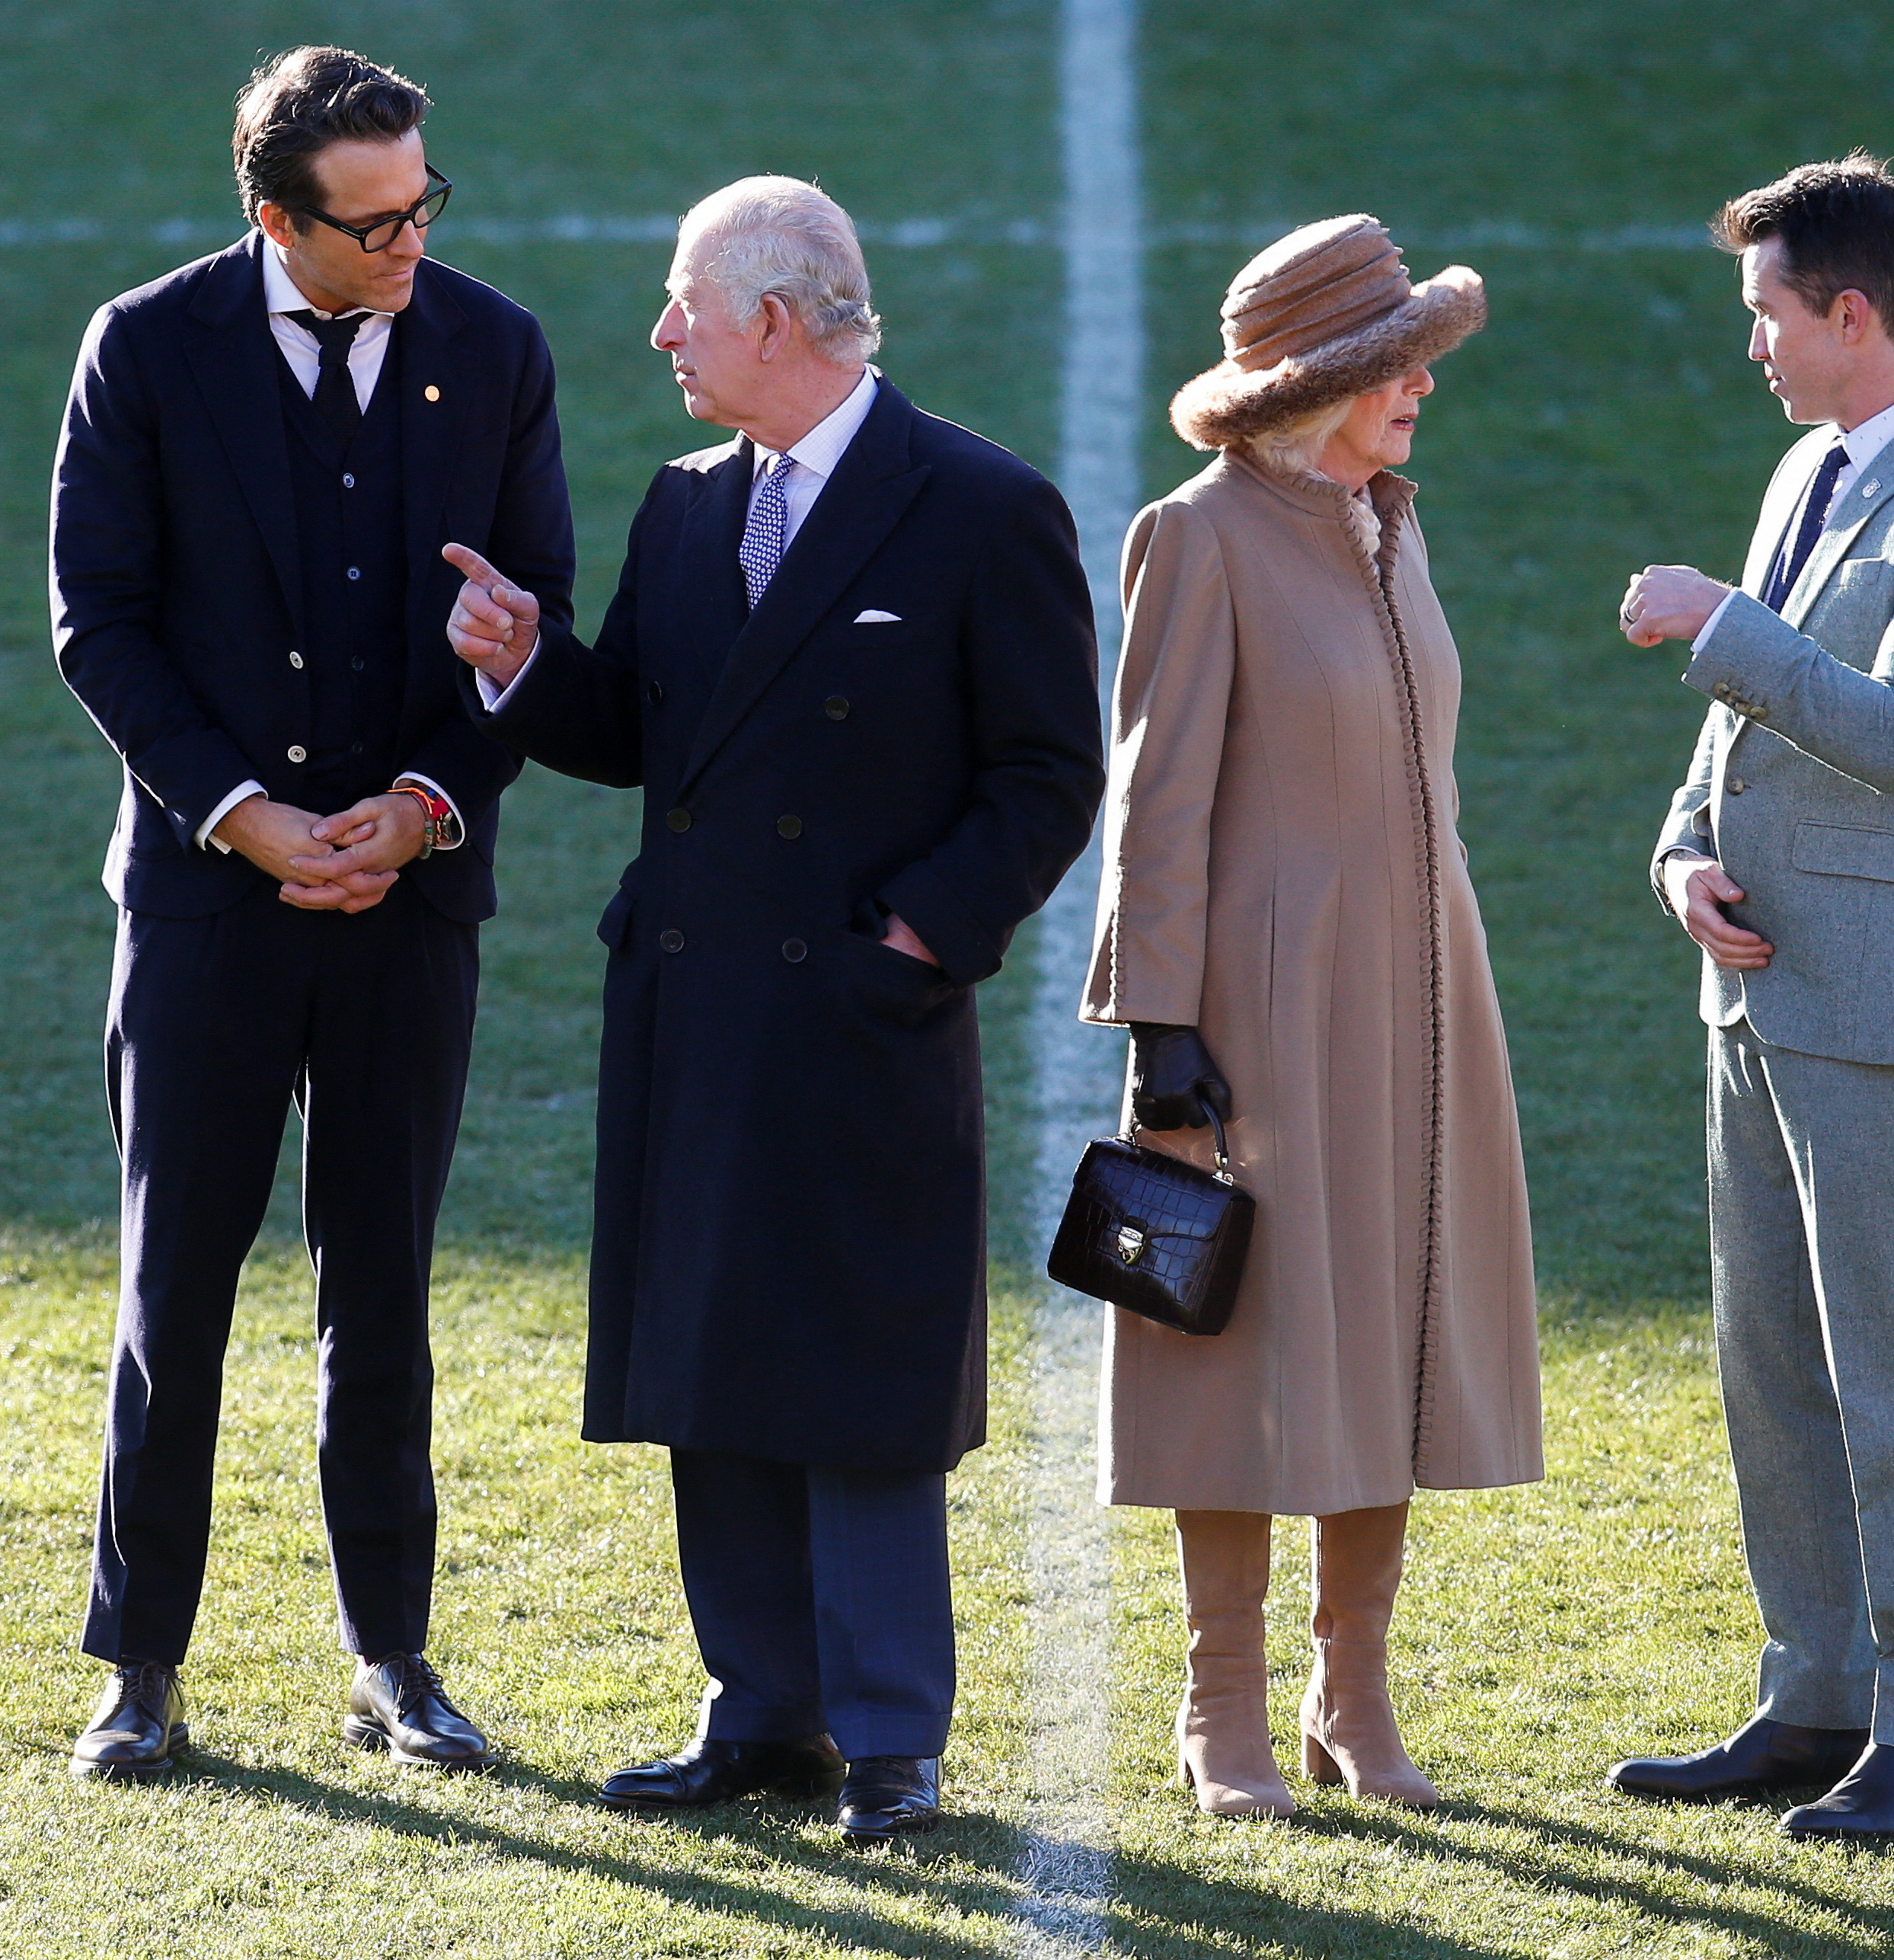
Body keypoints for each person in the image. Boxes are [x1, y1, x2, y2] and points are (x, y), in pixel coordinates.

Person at [439, 177, 1101, 1846]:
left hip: (862, 1017)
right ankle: (763, 1718)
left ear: (782, 322)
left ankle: (889, 1739)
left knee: (861, 1369)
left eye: (686, 305)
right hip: (698, 1009)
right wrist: (525, 669)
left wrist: (915, 938)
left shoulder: (978, 505)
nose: (661, 333)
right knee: (714, 1359)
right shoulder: (680, 507)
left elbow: (1046, 773)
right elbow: (655, 732)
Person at [47, 45, 572, 1780]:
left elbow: (529, 614)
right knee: (172, 1292)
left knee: (387, 1297)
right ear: (278, 219)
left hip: (408, 908)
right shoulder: (145, 346)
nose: (414, 238)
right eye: (377, 221)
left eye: (428, 200)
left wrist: (421, 807)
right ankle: (140, 1669)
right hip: (208, 906)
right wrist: (249, 819)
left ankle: (393, 1662)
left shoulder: (492, 348)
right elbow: (100, 623)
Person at [1608, 153, 1894, 1840]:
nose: (1755, 349)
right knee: (1772, 1371)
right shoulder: (1814, 465)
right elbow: (1742, 745)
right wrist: (1680, 854)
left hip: (1887, 1017)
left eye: (1766, 315)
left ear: (1850, 315)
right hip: (1759, 995)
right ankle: (1813, 1702)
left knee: (1891, 1379)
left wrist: (1723, 622)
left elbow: (1891, 730)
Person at [1080, 216, 1544, 1819]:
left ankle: (1355, 1696)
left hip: (1422, 998)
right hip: (1265, 1009)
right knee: (1249, 1344)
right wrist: (1156, 1017)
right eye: (1389, 363)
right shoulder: (1197, 535)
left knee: (1396, 1331)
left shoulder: (1394, 524)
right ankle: (1222, 1706)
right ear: (1317, 384)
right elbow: (1156, 795)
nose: (1420, 383)